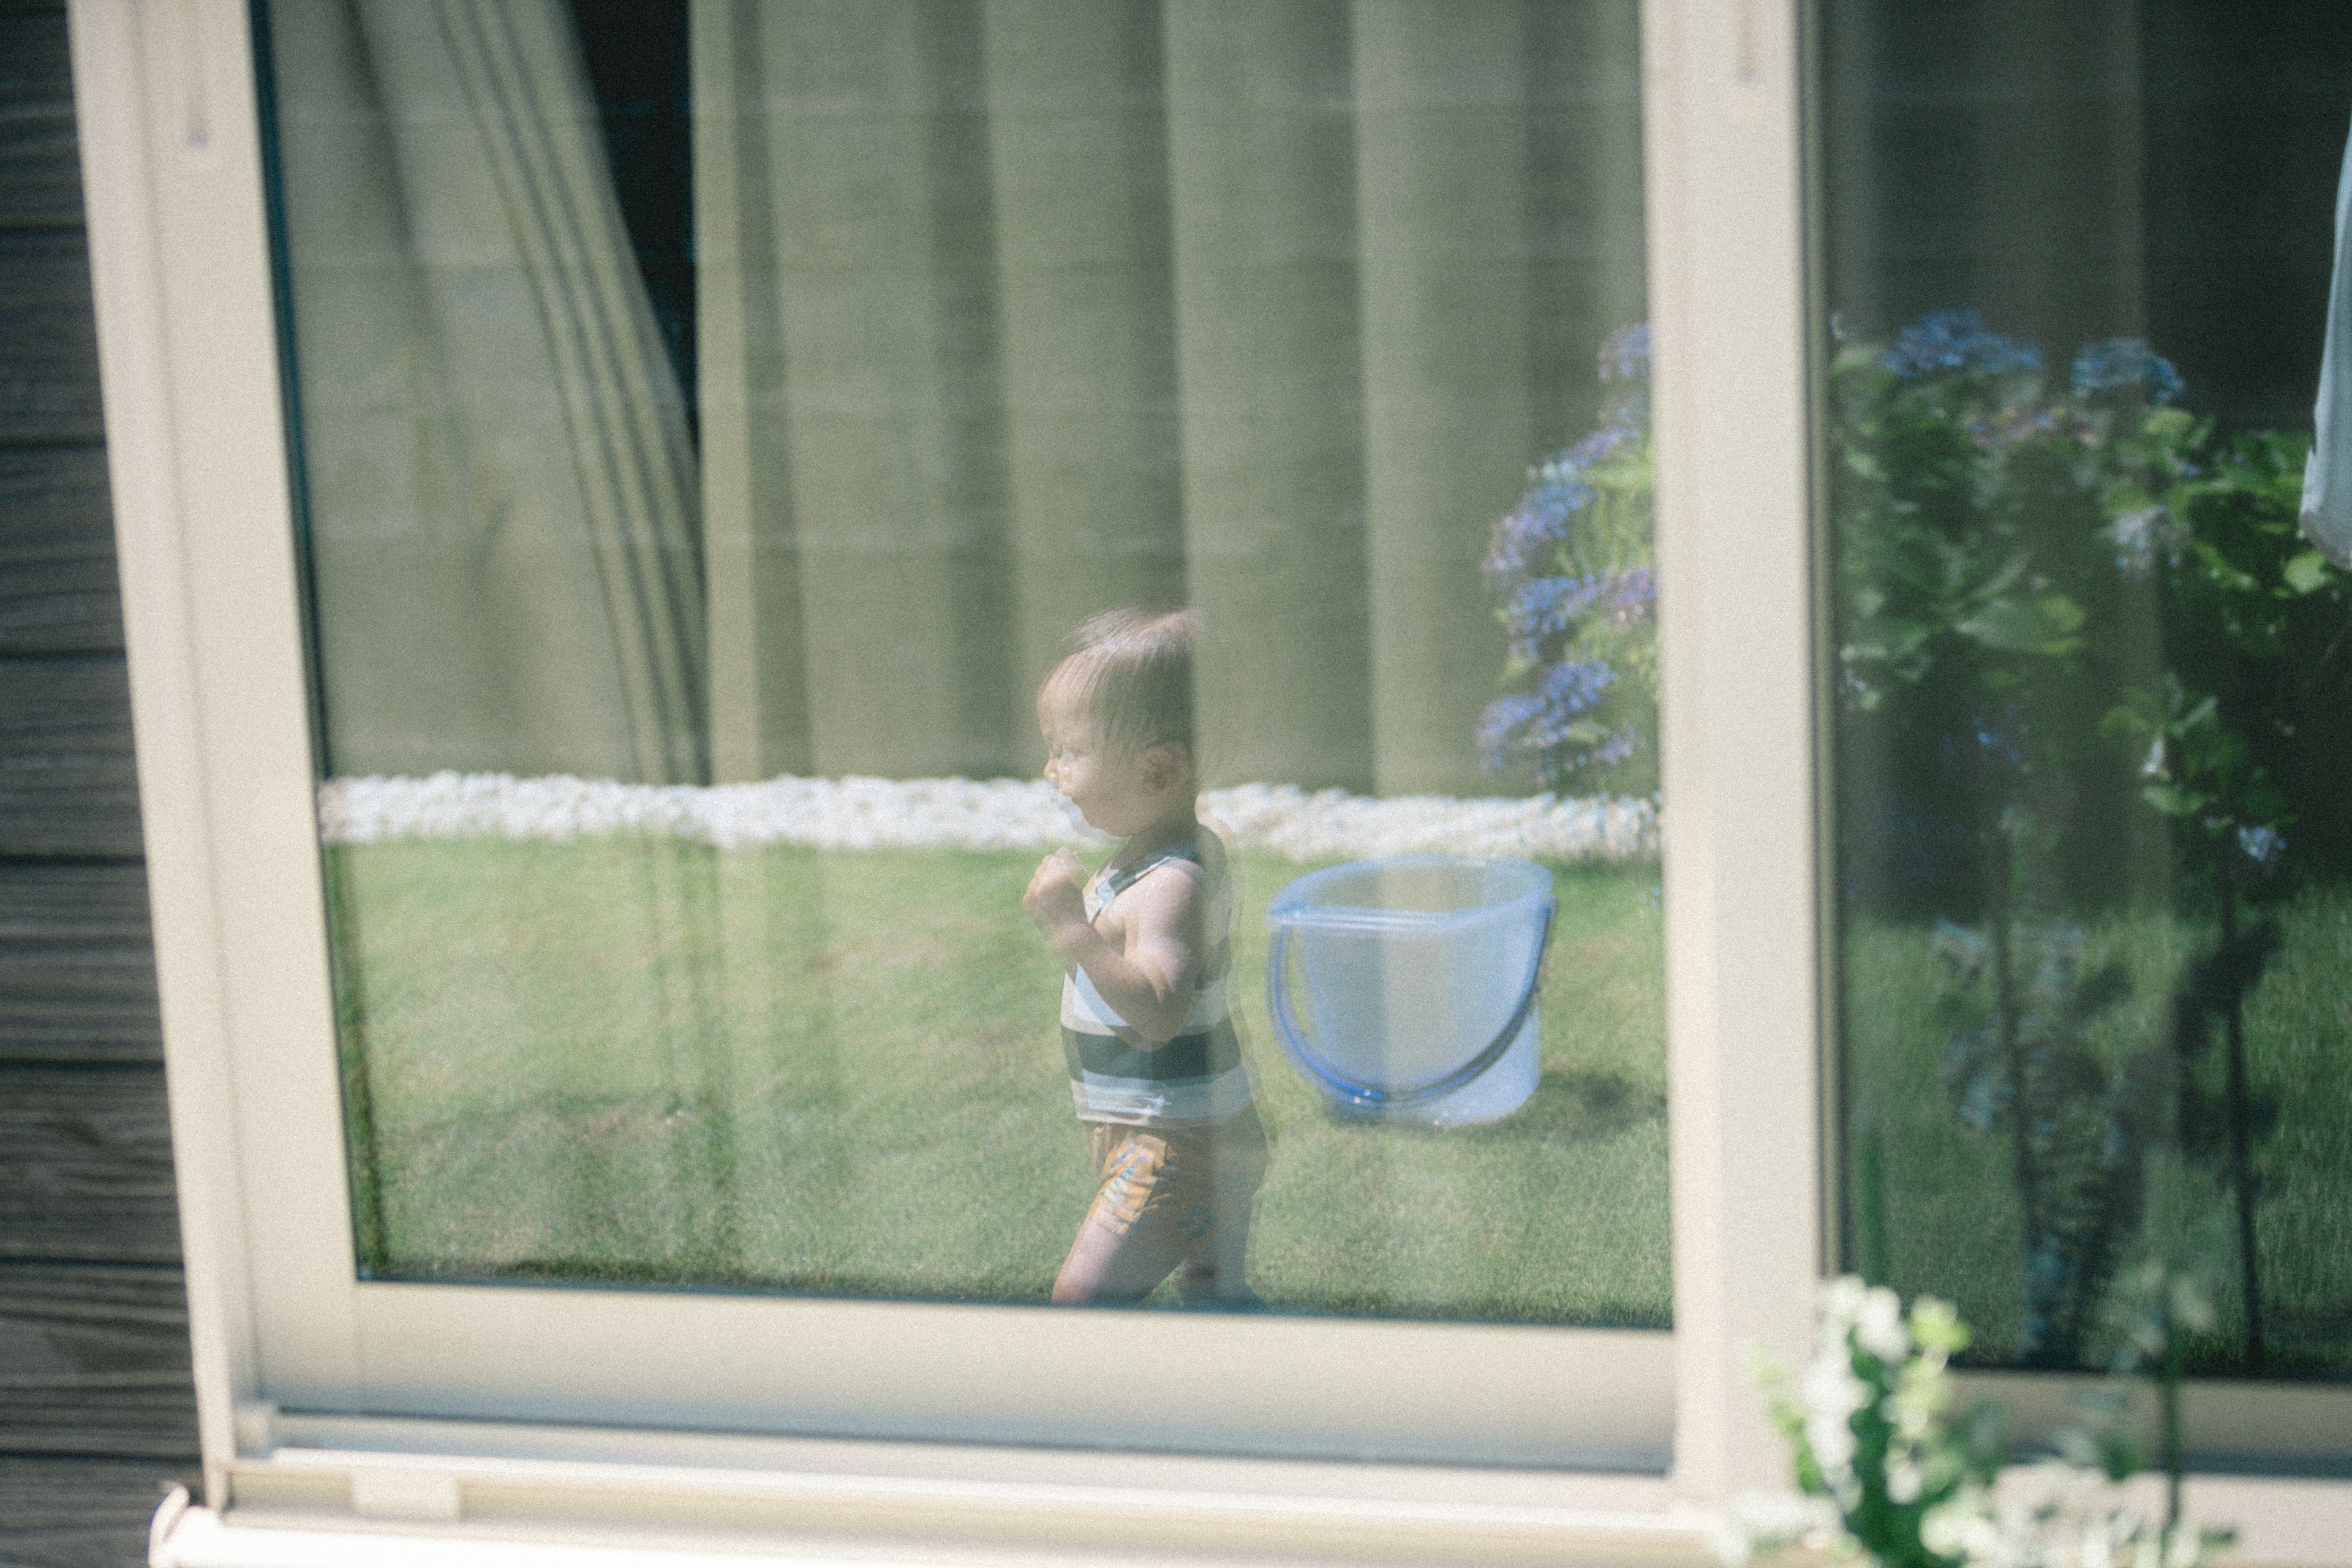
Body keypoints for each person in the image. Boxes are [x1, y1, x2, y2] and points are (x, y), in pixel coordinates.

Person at [1022, 608, 1267, 1306]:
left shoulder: (1172, 883)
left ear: (1158, 769)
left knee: (1081, 1302)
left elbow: (1160, 1009)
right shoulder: (1164, 850)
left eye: (1068, 751)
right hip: (1195, 1129)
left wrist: (1075, 929)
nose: (1051, 769)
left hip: (1174, 1147)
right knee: (1216, 1300)